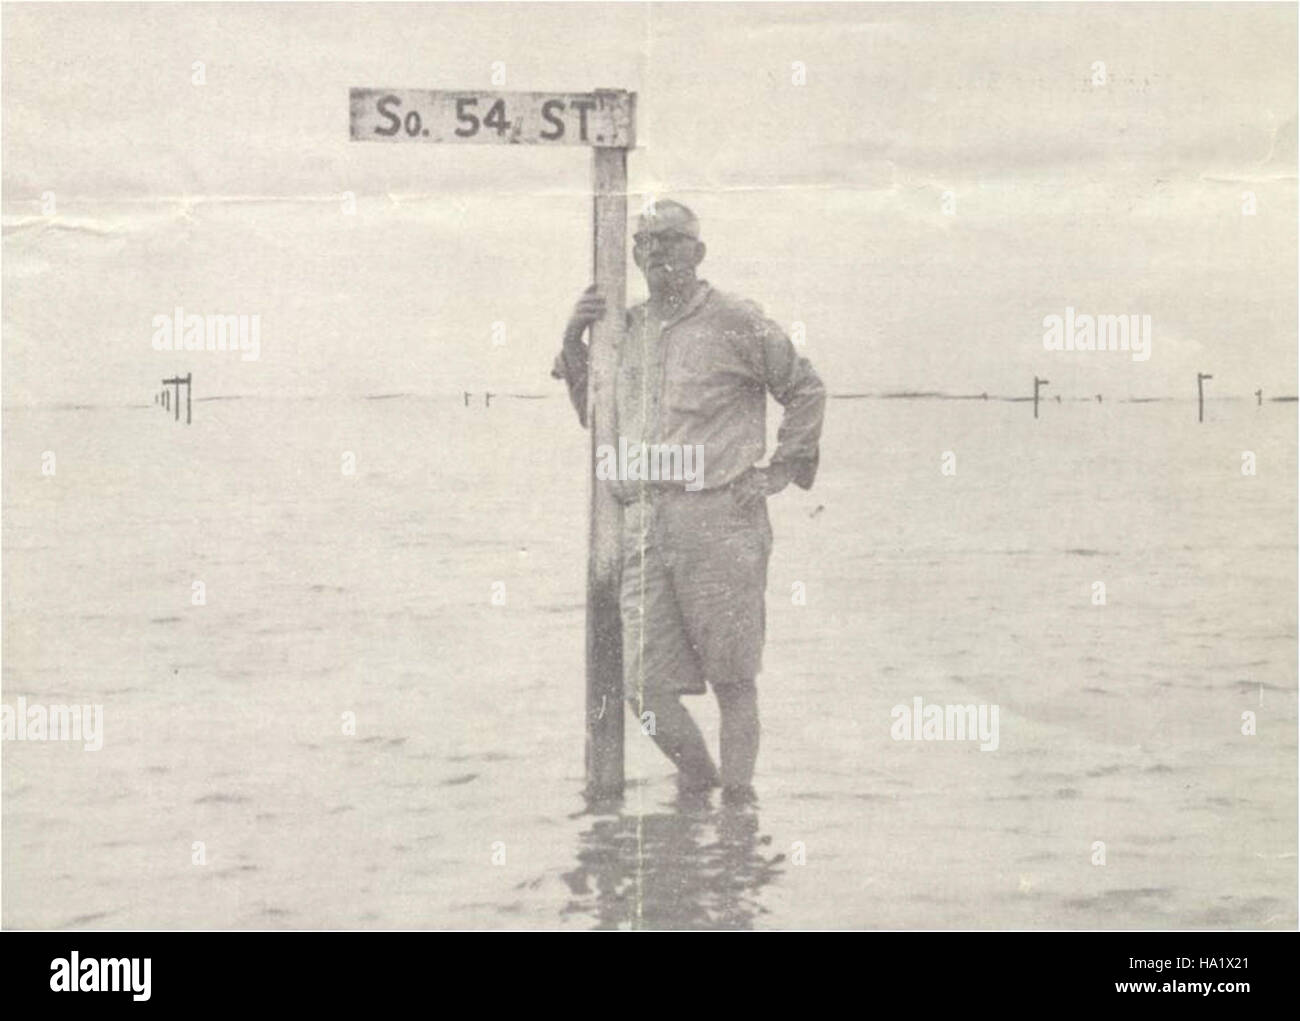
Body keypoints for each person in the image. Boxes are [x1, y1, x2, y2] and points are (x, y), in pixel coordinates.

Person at [552, 199, 825, 801]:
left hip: (721, 519)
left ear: (698, 253)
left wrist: (781, 469)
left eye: (670, 242)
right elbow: (594, 419)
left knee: (733, 678)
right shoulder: (627, 330)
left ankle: (737, 809)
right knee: (643, 688)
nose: (655, 253)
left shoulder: (735, 320)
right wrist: (574, 336)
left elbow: (804, 388)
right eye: (645, 242)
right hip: (645, 520)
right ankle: (697, 784)